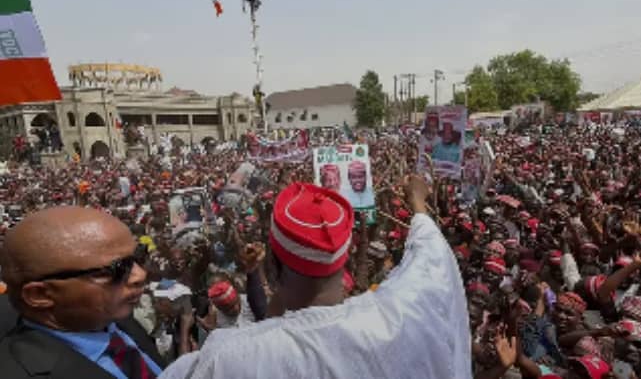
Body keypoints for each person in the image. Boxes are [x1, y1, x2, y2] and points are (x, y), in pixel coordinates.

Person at [160, 177, 471, 378]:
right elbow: (432, 263)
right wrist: (418, 205)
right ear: (345, 259)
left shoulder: (227, 361)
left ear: (274, 266)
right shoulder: (397, 316)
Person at [0, 206, 165, 379]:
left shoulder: (114, 320)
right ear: (40, 295)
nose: (139, 275)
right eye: (116, 269)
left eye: (137, 257)